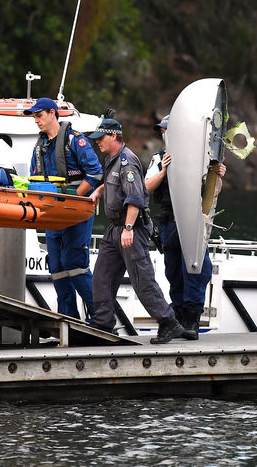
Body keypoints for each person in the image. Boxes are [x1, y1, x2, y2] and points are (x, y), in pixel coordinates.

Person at [87, 114, 185, 344]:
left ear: (113, 136)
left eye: (100, 138)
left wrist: (129, 228)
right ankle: (103, 324)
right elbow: (115, 182)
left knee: (142, 279)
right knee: (102, 276)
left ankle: (168, 322)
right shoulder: (111, 159)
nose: (97, 142)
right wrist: (100, 190)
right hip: (115, 229)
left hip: (131, 227)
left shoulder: (127, 162)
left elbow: (134, 198)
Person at [144, 115, 226, 340]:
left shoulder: (200, 157)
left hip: (192, 221)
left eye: (166, 129)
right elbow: (146, 187)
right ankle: (178, 317)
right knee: (173, 270)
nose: (163, 133)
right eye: (162, 131)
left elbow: (213, 192)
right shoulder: (158, 158)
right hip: (168, 220)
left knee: (196, 268)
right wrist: (163, 170)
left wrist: (218, 176)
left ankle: (192, 320)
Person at [24, 97, 103, 319]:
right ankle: (68, 318)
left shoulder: (74, 141)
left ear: (52, 113)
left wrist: (74, 199)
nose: (36, 121)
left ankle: (101, 316)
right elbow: (34, 179)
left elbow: (95, 173)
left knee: (75, 263)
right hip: (52, 214)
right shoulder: (39, 147)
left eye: (39, 116)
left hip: (75, 212)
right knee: (57, 266)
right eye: (34, 117)